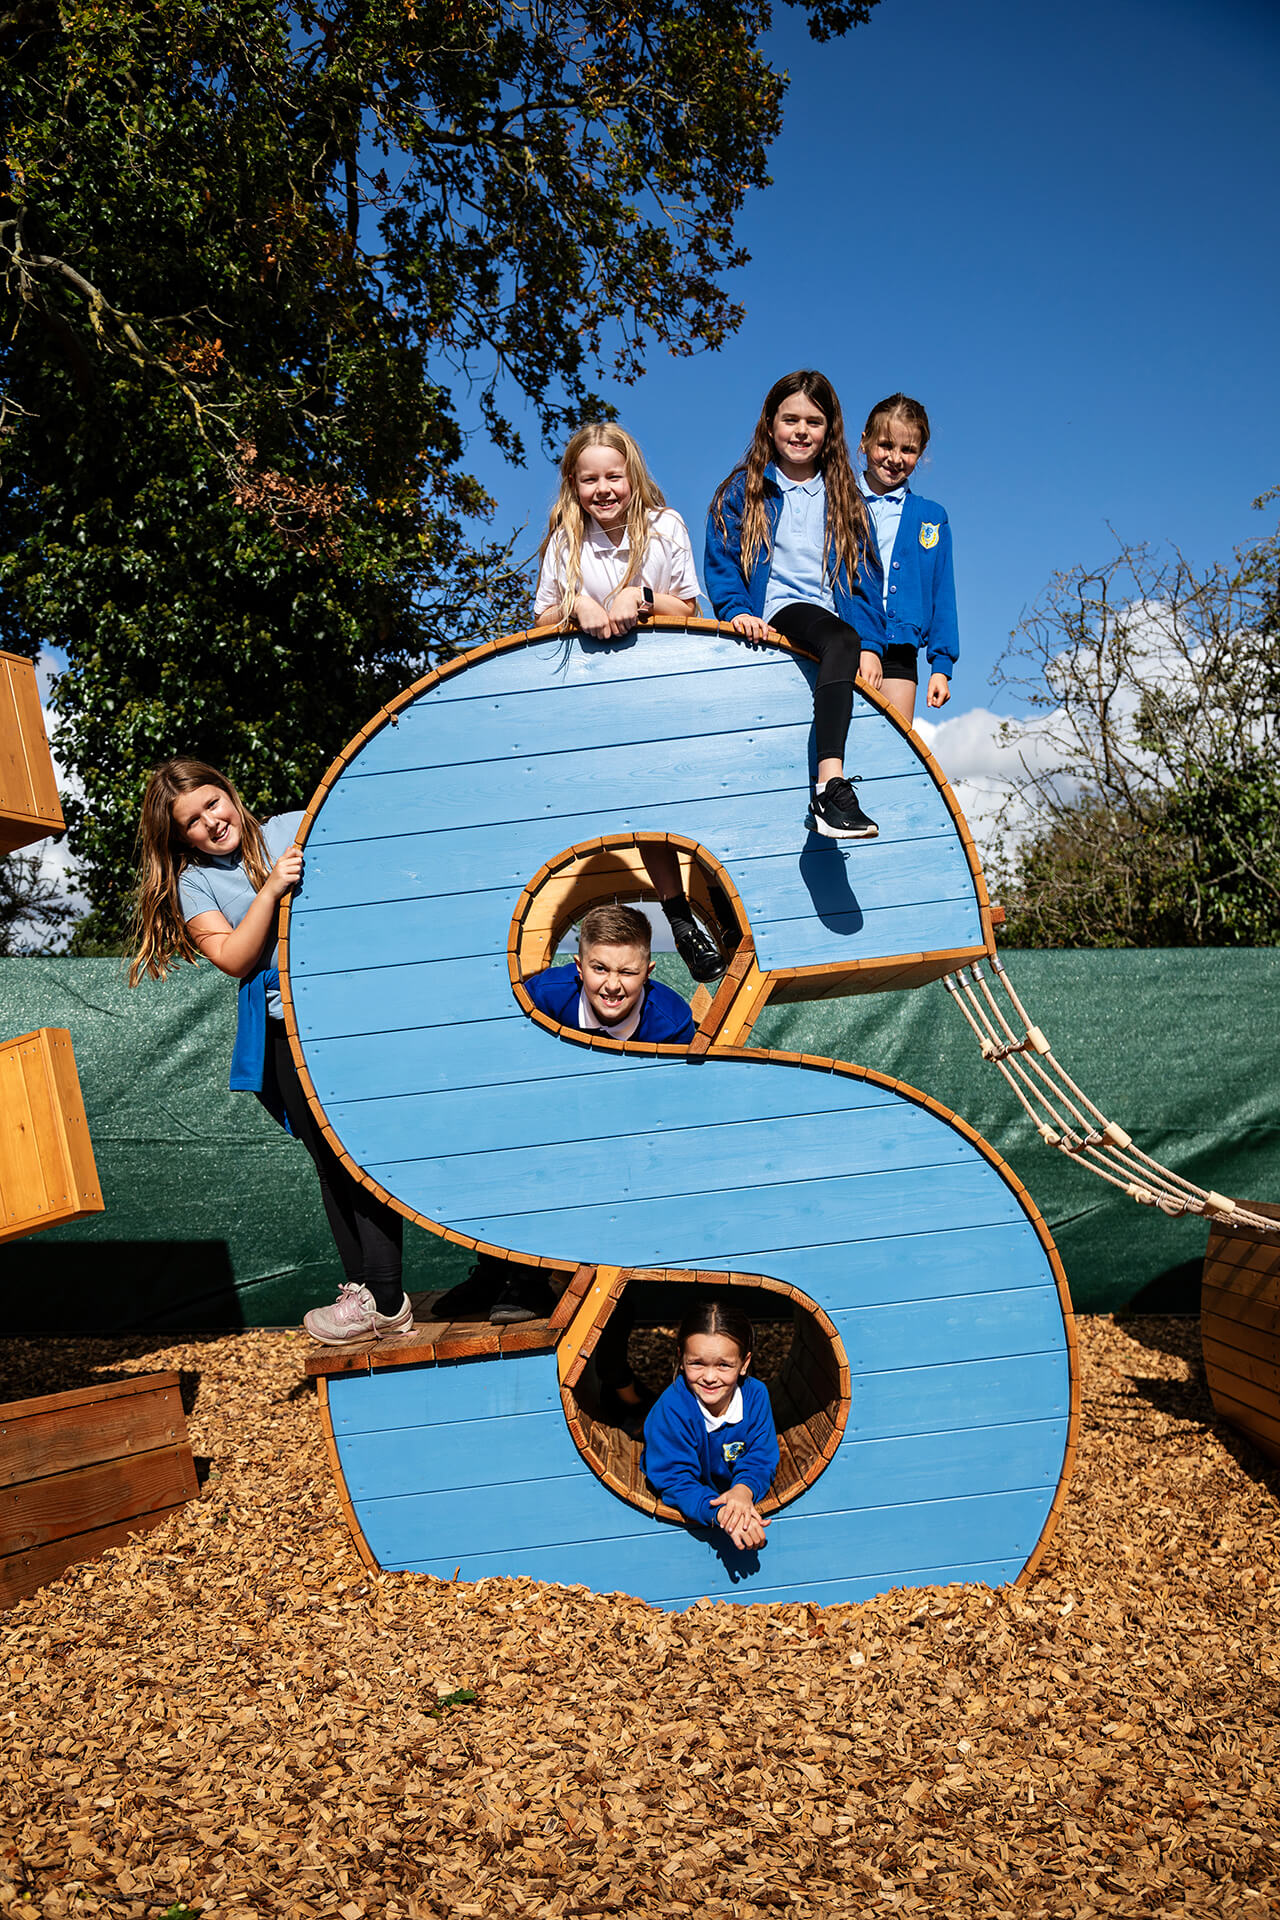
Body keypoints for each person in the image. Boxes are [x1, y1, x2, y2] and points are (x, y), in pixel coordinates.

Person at [129, 757, 413, 1349]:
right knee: (331, 1163)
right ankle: (365, 1291)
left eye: (212, 803)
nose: (210, 822)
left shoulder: (294, 828)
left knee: (361, 1154)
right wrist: (274, 888)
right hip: (286, 1033)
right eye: (190, 821)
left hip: (346, 1022)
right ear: (179, 837)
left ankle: (386, 1297)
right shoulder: (195, 883)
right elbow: (234, 956)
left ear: (228, 793)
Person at [535, 422, 725, 982]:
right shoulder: (567, 539)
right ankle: (679, 916)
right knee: (642, 803)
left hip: (666, 682)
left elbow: (689, 607)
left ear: (631, 475)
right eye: (589, 478)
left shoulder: (664, 526)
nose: (603, 489)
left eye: (613, 476)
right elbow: (542, 614)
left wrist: (638, 596)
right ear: (574, 484)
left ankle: (722, 901)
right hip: (603, 694)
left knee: (694, 793)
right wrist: (577, 607)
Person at [704, 370, 889, 842]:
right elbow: (722, 557)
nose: (801, 431)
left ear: (831, 430)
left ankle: (832, 789)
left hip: (832, 615)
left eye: (814, 420)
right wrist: (735, 609)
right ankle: (829, 788)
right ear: (770, 424)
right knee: (839, 637)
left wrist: (871, 645)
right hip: (778, 607)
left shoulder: (846, 497)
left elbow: (867, 578)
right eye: (790, 419)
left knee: (845, 639)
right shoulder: (744, 489)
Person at [642, 1301, 780, 1551]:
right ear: (681, 1359)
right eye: (697, 1363)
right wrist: (723, 1514)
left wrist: (743, 1490)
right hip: (696, 1496)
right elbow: (675, 1481)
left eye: (724, 1365)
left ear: (744, 1363)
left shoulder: (756, 1397)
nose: (709, 1376)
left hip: (732, 1492)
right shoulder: (673, 1408)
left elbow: (761, 1457)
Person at [857, 392, 958, 725]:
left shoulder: (931, 517)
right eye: (885, 445)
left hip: (900, 648)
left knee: (890, 746)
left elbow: (943, 593)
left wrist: (941, 666)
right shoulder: (838, 500)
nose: (895, 458)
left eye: (908, 449)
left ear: (921, 453)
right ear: (864, 441)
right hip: (844, 634)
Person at [522, 901, 696, 1046]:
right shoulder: (544, 995)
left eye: (627, 972)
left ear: (647, 974)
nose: (612, 985)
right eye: (600, 969)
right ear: (580, 968)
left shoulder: (673, 1024)